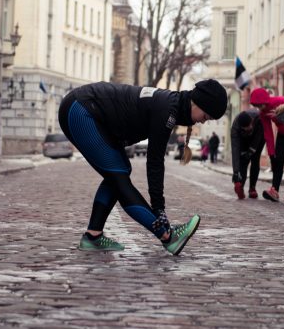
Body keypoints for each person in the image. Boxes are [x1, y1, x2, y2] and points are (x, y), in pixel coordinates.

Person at [58, 79, 227, 254]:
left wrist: (158, 207)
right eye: (206, 116)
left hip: (83, 108)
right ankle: (168, 237)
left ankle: (92, 237)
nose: (203, 122)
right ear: (197, 103)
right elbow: (154, 162)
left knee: (119, 171)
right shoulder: (168, 110)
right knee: (119, 175)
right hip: (80, 109)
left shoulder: (172, 106)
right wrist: (159, 209)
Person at [230, 109, 265, 199]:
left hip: (259, 137)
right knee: (243, 161)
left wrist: (251, 151)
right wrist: (235, 172)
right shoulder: (235, 129)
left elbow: (258, 137)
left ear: (251, 121)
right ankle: (240, 185)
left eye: (249, 125)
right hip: (243, 139)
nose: (249, 127)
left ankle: (252, 188)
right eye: (246, 127)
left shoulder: (258, 118)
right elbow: (235, 150)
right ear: (241, 127)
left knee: (255, 159)